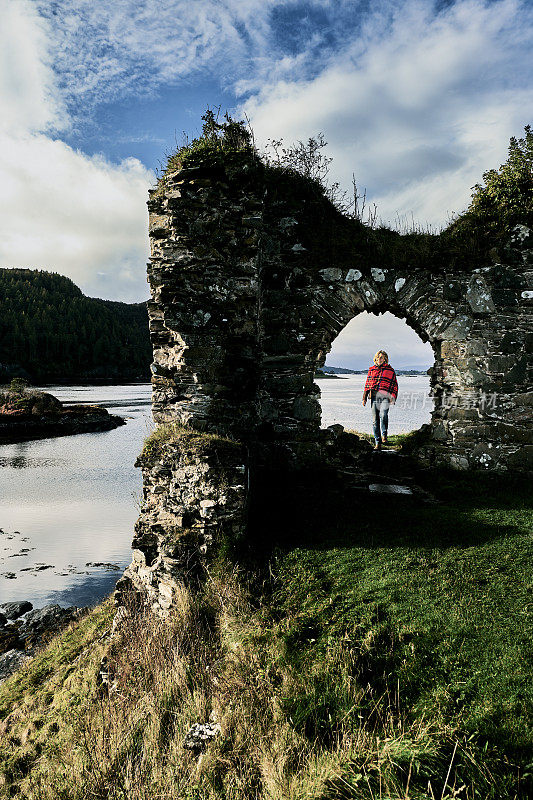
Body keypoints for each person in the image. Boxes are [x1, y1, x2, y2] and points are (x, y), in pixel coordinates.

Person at [362, 350, 398, 450]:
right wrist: (364, 398)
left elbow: (394, 385)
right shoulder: (371, 370)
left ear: (385, 359)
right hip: (373, 397)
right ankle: (378, 442)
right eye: (378, 357)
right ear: (375, 358)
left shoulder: (390, 370)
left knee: (383, 415)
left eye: (381, 357)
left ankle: (384, 435)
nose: (379, 359)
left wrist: (393, 397)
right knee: (375, 420)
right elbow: (367, 385)